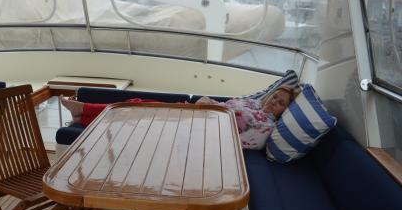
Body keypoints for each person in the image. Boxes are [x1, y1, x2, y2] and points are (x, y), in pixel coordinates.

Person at [61, 85, 299, 150]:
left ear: (283, 112)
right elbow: (221, 104)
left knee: (133, 113)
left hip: (195, 126)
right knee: (134, 105)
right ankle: (83, 112)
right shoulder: (253, 102)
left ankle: (83, 112)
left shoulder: (264, 127)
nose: (273, 102)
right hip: (191, 112)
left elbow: (240, 143)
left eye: (280, 104)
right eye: (275, 96)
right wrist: (204, 103)